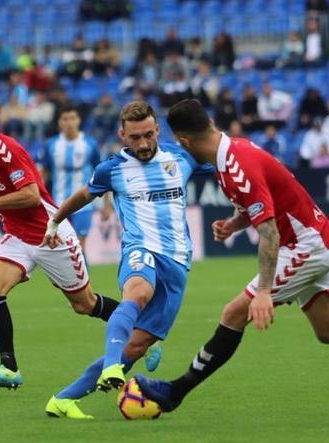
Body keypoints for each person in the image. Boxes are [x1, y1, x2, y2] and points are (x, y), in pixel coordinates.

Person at [132, 99, 329, 414]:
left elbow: (270, 232)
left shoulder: (235, 166)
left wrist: (263, 292)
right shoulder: (232, 151)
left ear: (184, 141)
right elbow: (266, 202)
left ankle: (174, 392)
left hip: (306, 245)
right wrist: (235, 223)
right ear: (211, 123)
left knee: (233, 314)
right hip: (315, 238)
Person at [40, 101, 212, 419]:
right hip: (140, 249)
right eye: (135, 137)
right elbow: (83, 195)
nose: (143, 144)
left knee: (135, 348)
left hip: (177, 262)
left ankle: (62, 400)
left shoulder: (182, 156)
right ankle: (110, 367)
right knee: (137, 293)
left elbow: (227, 164)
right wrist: (55, 222)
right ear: (122, 135)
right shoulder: (112, 169)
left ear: (158, 130)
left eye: (148, 135)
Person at [0, 97, 120, 390]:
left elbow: (29, 195)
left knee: (84, 305)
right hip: (15, 234)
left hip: (49, 234)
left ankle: (140, 327)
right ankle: (9, 368)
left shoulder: (7, 150)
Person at [38, 105, 106, 252]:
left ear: (79, 120)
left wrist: (107, 204)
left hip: (84, 205)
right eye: (65, 119)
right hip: (58, 205)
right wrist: (40, 201)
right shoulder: (51, 145)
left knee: (80, 246)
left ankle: (85, 276)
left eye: (72, 118)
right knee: (63, 248)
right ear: (59, 122)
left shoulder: (90, 144)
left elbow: (102, 174)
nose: (69, 122)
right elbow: (43, 174)